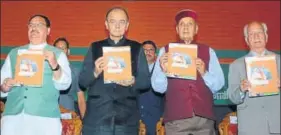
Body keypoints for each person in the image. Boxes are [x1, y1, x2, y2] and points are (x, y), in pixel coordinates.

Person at [151, 9, 225, 135]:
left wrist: (204, 72)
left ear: (196, 29)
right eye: (182, 24)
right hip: (176, 120)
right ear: (177, 30)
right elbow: (158, 88)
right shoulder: (166, 51)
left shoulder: (208, 51)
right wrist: (163, 71)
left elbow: (219, 85)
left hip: (204, 120)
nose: (185, 28)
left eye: (189, 24)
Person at [79, 7, 150, 135]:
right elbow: (82, 82)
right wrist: (95, 71)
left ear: (127, 25)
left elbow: (145, 82)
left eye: (121, 22)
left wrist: (133, 81)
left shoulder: (137, 48)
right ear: (106, 24)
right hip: (97, 118)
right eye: (113, 21)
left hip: (127, 118)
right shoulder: (95, 47)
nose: (117, 26)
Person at [0, 14, 72, 135]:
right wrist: (5, 86)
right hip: (13, 119)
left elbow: (64, 85)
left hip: (45, 120)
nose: (34, 28)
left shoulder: (58, 54)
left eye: (39, 25)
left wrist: (55, 65)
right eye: (31, 25)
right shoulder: (14, 53)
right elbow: (2, 86)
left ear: (48, 30)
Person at [227, 21, 280, 135]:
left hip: (277, 125)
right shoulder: (236, 65)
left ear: (266, 36)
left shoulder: (279, 61)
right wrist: (241, 89)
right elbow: (232, 97)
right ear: (246, 40)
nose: (256, 36)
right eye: (251, 34)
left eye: (259, 32)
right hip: (250, 127)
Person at [54, 37, 86, 118]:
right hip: (51, 115)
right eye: (58, 49)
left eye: (63, 48)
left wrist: (85, 121)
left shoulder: (76, 71)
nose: (60, 51)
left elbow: (81, 99)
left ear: (68, 51)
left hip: (69, 116)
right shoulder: (47, 71)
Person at [139, 40, 165, 135]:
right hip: (135, 115)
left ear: (155, 54)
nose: (148, 52)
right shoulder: (133, 70)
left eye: (151, 50)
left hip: (155, 116)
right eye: (145, 50)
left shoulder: (162, 70)